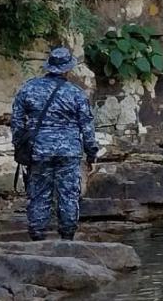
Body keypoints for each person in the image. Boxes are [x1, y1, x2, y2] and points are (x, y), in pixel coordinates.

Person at [10, 47, 99, 241]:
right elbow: (87, 128)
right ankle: (67, 237)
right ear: (68, 69)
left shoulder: (28, 88)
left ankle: (38, 236)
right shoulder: (76, 94)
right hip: (69, 152)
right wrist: (91, 154)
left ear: (49, 66)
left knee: (39, 192)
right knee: (68, 194)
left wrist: (20, 147)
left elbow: (17, 122)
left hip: (39, 150)